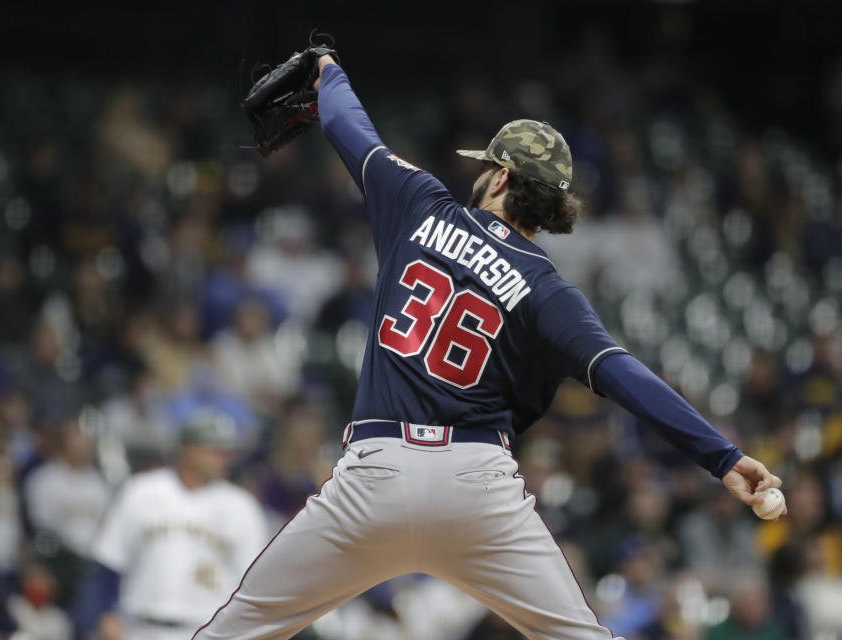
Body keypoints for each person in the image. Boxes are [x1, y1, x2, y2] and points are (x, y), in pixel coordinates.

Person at [192, 54, 785, 640]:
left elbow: (352, 129)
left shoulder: (419, 203)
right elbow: (623, 374)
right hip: (477, 489)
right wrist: (723, 457)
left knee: (235, 633)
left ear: (500, 177)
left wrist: (329, 72)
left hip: (375, 476)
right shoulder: (549, 290)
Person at [85, 409, 267, 640]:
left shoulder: (242, 507)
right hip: (140, 627)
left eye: (227, 452)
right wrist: (106, 614)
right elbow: (110, 561)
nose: (224, 458)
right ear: (187, 449)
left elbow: (254, 583)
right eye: (214, 450)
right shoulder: (141, 491)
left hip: (207, 631)